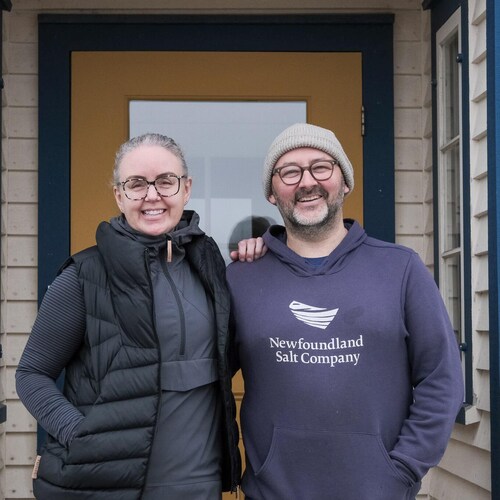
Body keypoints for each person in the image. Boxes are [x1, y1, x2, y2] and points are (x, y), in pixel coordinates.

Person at [16, 133, 264, 499]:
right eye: (136, 184)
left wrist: (262, 255)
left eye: (166, 181)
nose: (152, 195)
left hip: (199, 485)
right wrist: (81, 436)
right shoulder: (85, 275)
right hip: (107, 487)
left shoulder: (210, 265)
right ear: (119, 194)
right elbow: (31, 375)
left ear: (186, 188)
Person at [226, 123, 464, 500]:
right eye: (289, 171)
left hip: (378, 490)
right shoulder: (241, 278)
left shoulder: (400, 269)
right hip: (273, 491)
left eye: (322, 167)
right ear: (272, 193)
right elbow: (206, 380)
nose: (307, 182)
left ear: (345, 181)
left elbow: (442, 379)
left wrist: (402, 469)